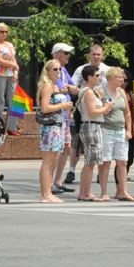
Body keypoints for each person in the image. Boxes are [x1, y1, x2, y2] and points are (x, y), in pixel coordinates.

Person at [37, 59, 75, 203]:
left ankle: (49, 191)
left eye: (59, 69)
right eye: (55, 69)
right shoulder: (47, 87)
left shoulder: (55, 87)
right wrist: (62, 105)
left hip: (58, 125)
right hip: (50, 126)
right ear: (47, 71)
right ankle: (45, 194)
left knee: (53, 160)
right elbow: (45, 108)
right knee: (48, 161)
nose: (58, 72)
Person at [74, 65, 111, 201]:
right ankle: (85, 192)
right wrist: (105, 107)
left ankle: (85, 192)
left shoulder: (91, 91)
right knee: (90, 162)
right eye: (97, 75)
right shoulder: (88, 92)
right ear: (89, 77)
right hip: (91, 127)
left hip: (93, 126)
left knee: (91, 161)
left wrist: (103, 109)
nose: (99, 78)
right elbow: (92, 112)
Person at [99, 66, 134, 201]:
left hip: (120, 131)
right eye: (120, 77)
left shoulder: (121, 92)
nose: (122, 80)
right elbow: (97, 108)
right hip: (107, 129)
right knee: (106, 162)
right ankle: (104, 192)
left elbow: (127, 112)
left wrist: (129, 130)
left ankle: (123, 191)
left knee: (123, 162)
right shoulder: (102, 92)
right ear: (112, 78)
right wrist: (104, 109)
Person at [49, 42, 81, 192]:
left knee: (66, 147)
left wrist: (66, 88)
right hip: (55, 116)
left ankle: (58, 181)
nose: (68, 56)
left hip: (66, 116)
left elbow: (74, 89)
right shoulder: (53, 70)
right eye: (66, 53)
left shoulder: (64, 71)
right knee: (55, 150)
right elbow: (60, 88)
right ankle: (49, 182)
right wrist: (67, 88)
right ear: (57, 54)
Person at [0, 22, 20, 135]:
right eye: (2, 31)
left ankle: (12, 127)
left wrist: (16, 72)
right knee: (0, 100)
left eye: (6, 32)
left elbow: (14, 60)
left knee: (14, 101)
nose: (5, 34)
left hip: (11, 74)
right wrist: (13, 66)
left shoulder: (10, 45)